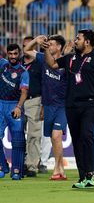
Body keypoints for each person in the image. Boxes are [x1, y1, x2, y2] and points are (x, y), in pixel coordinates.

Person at [44, 29, 94, 188]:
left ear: (87, 42)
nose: (75, 41)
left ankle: (90, 173)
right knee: (76, 140)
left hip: (90, 104)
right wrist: (47, 49)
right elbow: (52, 64)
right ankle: (83, 177)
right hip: (71, 105)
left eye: (78, 38)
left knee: (86, 136)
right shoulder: (70, 57)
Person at [23, 34, 69, 180]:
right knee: (53, 138)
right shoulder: (43, 58)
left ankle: (57, 168)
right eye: (48, 43)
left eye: (52, 44)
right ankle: (60, 168)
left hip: (62, 105)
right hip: (47, 104)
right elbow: (27, 51)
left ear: (59, 47)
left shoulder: (67, 61)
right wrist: (36, 41)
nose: (49, 46)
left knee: (56, 136)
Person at [0, 44, 29, 180]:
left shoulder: (23, 72)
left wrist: (18, 107)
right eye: (10, 54)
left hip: (14, 106)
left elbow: (24, 92)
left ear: (19, 54)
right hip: (0, 104)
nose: (12, 56)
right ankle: (2, 166)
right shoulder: (3, 65)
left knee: (17, 140)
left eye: (15, 54)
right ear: (7, 53)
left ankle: (16, 171)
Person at [21, 36, 45, 178]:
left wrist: (43, 104)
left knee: (34, 135)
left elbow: (45, 85)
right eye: (24, 45)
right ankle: (20, 163)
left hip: (35, 101)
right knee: (18, 135)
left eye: (29, 45)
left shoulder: (40, 63)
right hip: (18, 103)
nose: (26, 48)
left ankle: (31, 165)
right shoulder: (17, 64)